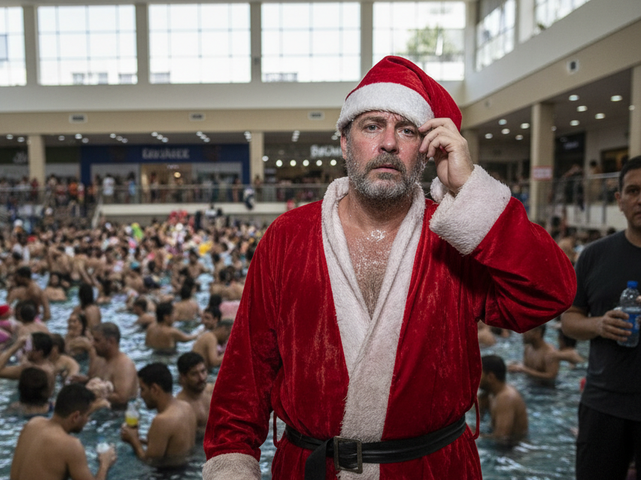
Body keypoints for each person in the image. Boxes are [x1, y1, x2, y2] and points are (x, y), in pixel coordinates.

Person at [202, 56, 575, 479]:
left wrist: (470, 190)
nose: (389, 143)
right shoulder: (289, 237)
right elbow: (245, 376)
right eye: (372, 125)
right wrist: (231, 468)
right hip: (312, 467)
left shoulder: (455, 234)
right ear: (345, 142)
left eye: (407, 129)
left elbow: (550, 294)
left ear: (427, 148)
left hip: (434, 468)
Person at [562, 155, 641, 480]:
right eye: (633, 191)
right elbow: (568, 320)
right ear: (620, 200)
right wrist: (598, 324)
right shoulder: (595, 256)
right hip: (603, 403)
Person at [10, 384, 117, 480]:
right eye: (87, 415)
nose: (87, 420)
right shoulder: (70, 445)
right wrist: (104, 464)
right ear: (75, 417)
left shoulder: (33, 423)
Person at [120, 363, 196, 466]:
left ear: (154, 389)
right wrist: (141, 440)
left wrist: (134, 441)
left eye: (142, 389)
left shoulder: (162, 421)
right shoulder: (187, 407)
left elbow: (149, 462)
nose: (141, 395)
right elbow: (174, 446)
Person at [71, 322, 137, 409]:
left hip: (118, 414)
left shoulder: (124, 365)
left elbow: (122, 398)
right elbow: (94, 381)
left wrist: (93, 393)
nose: (92, 344)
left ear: (111, 341)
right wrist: (85, 381)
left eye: (97, 340)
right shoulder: (100, 359)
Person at [478, 355, 528, 444]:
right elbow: (479, 419)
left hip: (513, 451)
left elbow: (501, 438)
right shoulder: (490, 394)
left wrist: (475, 435)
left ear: (490, 377)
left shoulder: (505, 398)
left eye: (478, 374)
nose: (474, 378)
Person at [0, 333, 56, 399]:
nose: (25, 349)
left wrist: (14, 347)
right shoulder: (50, 367)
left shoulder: (30, 370)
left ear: (39, 353)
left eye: (28, 346)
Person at [176, 352, 214, 437]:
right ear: (183, 377)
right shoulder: (180, 407)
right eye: (194, 374)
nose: (201, 378)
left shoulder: (213, 391)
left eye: (203, 371)